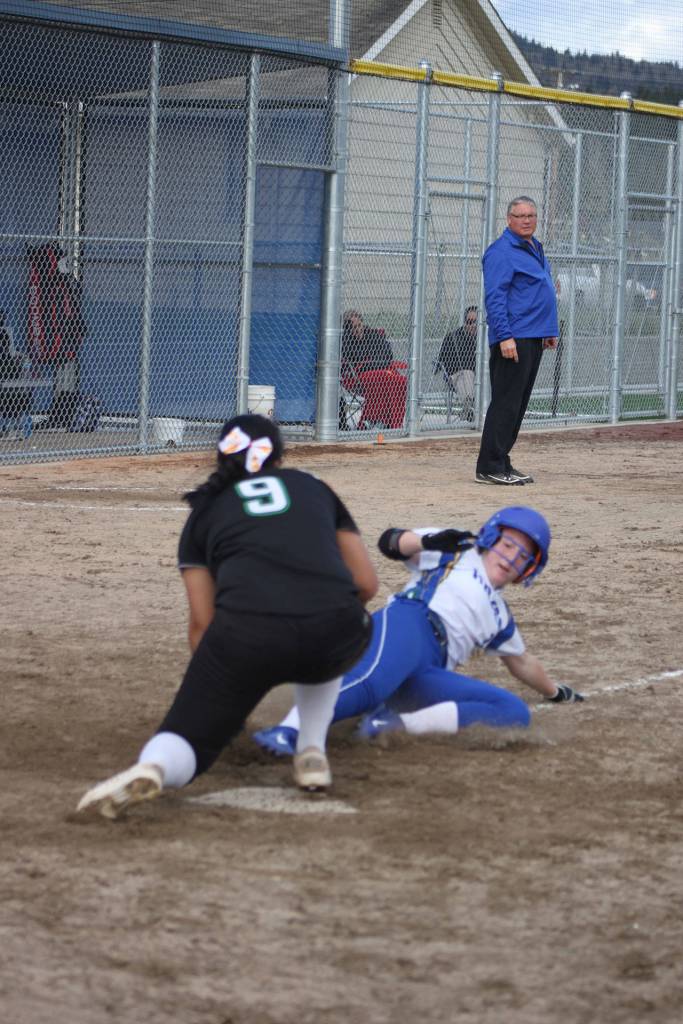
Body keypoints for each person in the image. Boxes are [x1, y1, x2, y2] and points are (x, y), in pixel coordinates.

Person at [76, 414, 379, 819]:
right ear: (281, 456)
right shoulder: (313, 486)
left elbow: (203, 622)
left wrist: (223, 690)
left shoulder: (204, 510)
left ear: (221, 456)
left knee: (189, 739)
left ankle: (155, 767)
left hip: (248, 636)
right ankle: (311, 751)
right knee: (328, 618)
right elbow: (366, 584)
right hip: (336, 631)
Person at [253, 506, 583, 757]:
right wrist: (426, 540)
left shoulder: (500, 615)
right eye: (508, 545)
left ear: (529, 570)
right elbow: (390, 543)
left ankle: (388, 725)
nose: (512, 558)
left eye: (524, 557)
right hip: (410, 624)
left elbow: (522, 662)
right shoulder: (457, 550)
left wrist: (556, 692)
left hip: (430, 668)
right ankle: (290, 731)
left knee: (514, 712)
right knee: (370, 682)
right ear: (491, 536)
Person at [476, 197, 558, 486]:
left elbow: (538, 289)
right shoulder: (501, 251)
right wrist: (504, 336)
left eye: (531, 215)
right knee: (506, 403)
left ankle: (501, 462)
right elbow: (495, 298)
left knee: (518, 404)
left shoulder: (534, 247)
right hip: (514, 337)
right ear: (508, 219)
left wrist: (549, 329)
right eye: (520, 215)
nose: (527, 220)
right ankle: (488, 467)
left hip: (533, 335)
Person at [339, 309, 407, 430]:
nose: (358, 330)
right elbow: (351, 357)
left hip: (380, 371)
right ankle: (369, 419)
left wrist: (372, 361)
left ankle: (391, 422)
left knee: (401, 380)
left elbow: (386, 354)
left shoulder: (373, 335)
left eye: (359, 325)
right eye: (353, 328)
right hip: (357, 376)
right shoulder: (344, 340)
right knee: (385, 377)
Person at [435, 305, 478, 422]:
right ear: (464, 322)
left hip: (479, 376)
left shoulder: (483, 338)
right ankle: (471, 410)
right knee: (467, 374)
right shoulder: (453, 337)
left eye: (476, 322)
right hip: (457, 376)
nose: (473, 325)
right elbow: (440, 360)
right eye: (469, 322)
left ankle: (469, 411)